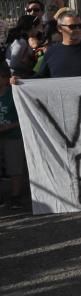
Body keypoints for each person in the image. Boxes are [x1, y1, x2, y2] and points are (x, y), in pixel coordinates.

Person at [0, 63, 27, 209]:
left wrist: (8, 126)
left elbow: (24, 115)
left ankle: (16, 196)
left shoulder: (14, 93)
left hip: (13, 135)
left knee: (14, 167)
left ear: (5, 79)